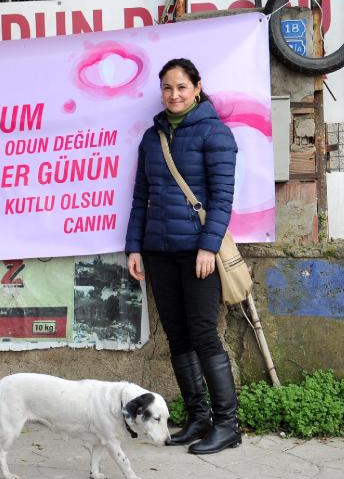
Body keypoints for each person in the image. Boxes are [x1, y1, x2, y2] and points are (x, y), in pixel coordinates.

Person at [125, 58, 240, 455]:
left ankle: (227, 424)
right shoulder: (151, 137)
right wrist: (135, 246)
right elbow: (141, 197)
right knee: (177, 336)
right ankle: (198, 417)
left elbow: (222, 198)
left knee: (204, 335)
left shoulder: (215, 132)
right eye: (167, 88)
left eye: (181, 87)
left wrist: (208, 246)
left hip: (197, 253)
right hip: (158, 252)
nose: (174, 95)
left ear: (197, 87)